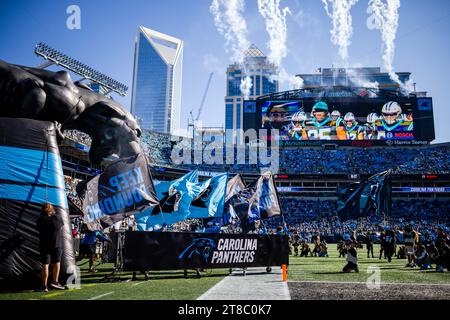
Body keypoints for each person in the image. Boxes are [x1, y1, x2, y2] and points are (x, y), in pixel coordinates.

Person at [36, 203, 65, 292]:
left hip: (44, 244)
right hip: (56, 243)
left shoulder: (40, 219)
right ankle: (55, 282)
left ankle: (44, 286)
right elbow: (61, 226)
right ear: (52, 209)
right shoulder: (58, 217)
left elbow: (38, 229)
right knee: (57, 262)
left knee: (45, 265)